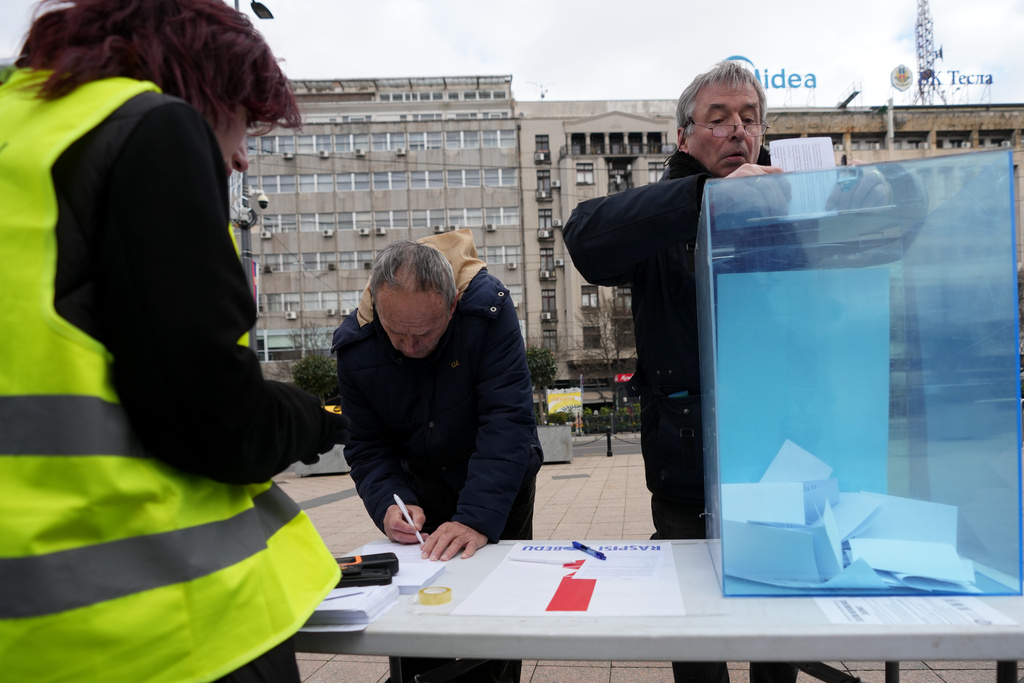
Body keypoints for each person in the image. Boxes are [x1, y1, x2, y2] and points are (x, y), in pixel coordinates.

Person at [0, 1, 349, 681]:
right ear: (203, 85)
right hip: (165, 631)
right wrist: (312, 417)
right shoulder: (150, 129)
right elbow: (215, 417)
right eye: (244, 122)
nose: (243, 155)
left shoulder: (22, 137)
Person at [562, 60, 798, 683]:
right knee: (695, 629)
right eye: (717, 119)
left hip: (779, 456)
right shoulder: (663, 213)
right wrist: (705, 197)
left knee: (777, 626)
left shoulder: (791, 199)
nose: (737, 132)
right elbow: (584, 238)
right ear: (684, 136)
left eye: (749, 119)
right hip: (684, 460)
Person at [332, 233, 542, 683]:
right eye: (396, 333)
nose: (410, 347)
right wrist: (391, 505)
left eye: (424, 333)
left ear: (451, 307)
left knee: (495, 616)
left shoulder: (487, 311)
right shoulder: (356, 345)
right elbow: (368, 446)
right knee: (421, 619)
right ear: (378, 310)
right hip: (420, 484)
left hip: (497, 484)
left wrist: (477, 518)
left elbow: (507, 420)